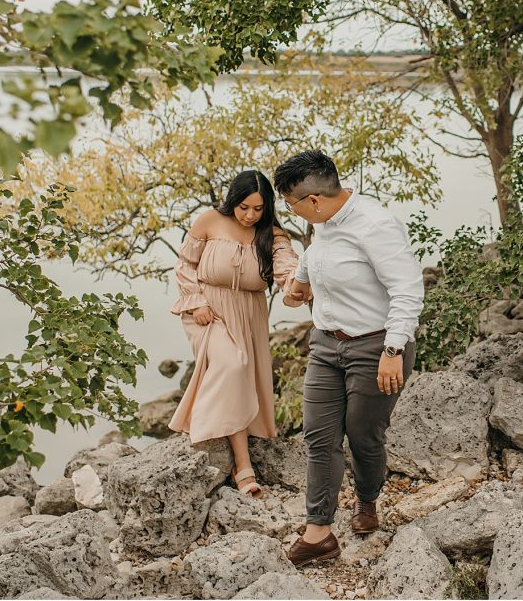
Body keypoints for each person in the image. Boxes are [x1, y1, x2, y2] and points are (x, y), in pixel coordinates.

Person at [273, 150, 424, 566]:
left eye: (292, 204)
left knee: (362, 435)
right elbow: (316, 259)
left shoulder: (375, 225)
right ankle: (319, 532)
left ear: (315, 201)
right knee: (319, 438)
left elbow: (408, 290)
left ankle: (367, 499)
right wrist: (299, 284)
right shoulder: (321, 224)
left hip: (376, 348)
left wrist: (393, 350)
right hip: (325, 346)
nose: (292, 211)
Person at [168, 170, 301, 497]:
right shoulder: (208, 221)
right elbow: (185, 266)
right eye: (244, 207)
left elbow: (287, 267)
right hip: (207, 311)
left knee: (241, 375)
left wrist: (299, 285)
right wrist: (196, 301)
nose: (250, 215)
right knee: (233, 366)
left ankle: (236, 460)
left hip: (249, 314)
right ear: (233, 201)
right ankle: (239, 462)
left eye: (258, 209)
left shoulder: (272, 234)